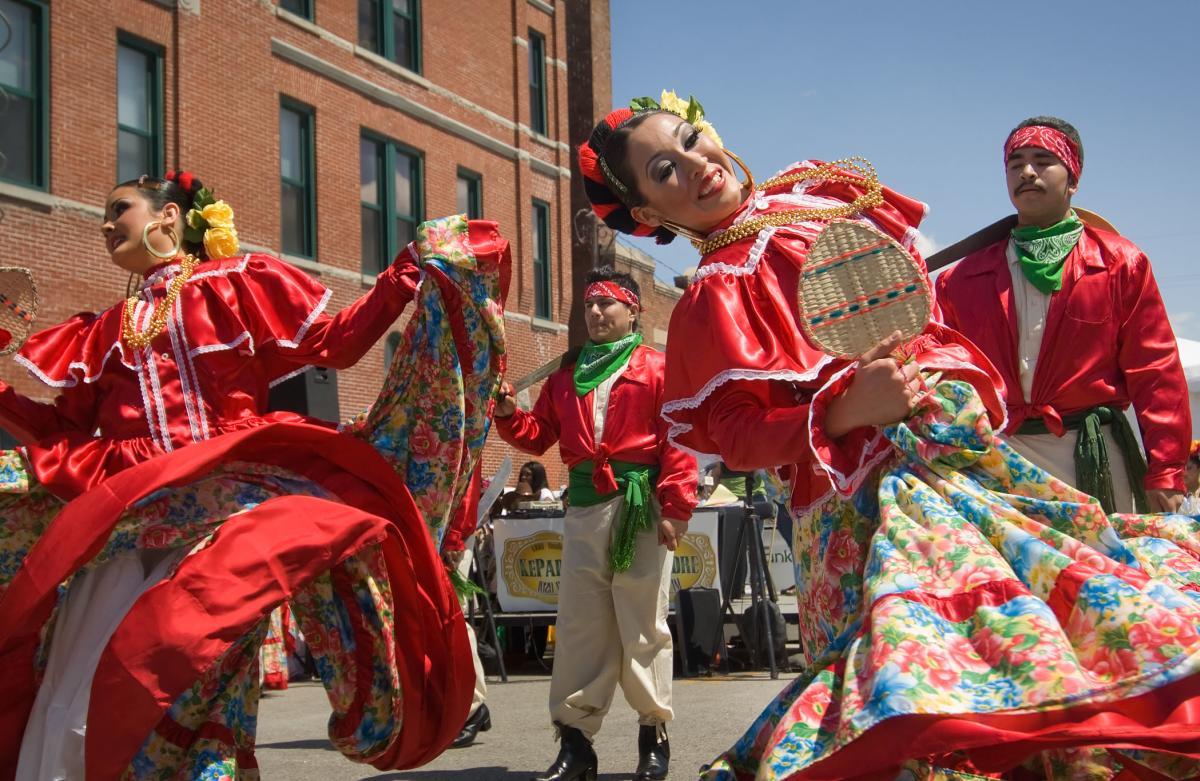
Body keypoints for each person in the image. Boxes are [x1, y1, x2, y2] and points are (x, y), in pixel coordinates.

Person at [578, 96, 1200, 780]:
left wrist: (932, 373)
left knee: (1018, 643)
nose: (698, 163)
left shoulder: (811, 196)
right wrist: (842, 410)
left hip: (946, 466)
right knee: (901, 693)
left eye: (694, 139)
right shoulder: (712, 297)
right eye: (666, 168)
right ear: (646, 215)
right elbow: (736, 435)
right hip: (849, 511)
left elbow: (920, 312)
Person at [0, 171, 510, 777]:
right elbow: (64, 431)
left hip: (227, 496)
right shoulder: (100, 330)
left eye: (120, 209)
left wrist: (399, 281)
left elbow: (335, 344)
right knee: (84, 669)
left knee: (188, 652)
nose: (107, 224)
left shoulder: (235, 285)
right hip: (127, 512)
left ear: (169, 219)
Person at [493, 266, 697, 781]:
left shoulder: (656, 367)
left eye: (607, 304)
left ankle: (654, 737)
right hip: (584, 509)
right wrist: (506, 412)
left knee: (643, 624)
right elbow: (537, 435)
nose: (596, 313)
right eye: (589, 305)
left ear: (633, 310)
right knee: (582, 625)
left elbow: (679, 438)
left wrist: (674, 506)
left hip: (639, 507)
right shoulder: (566, 375)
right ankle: (576, 742)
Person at [936, 116, 1190, 515]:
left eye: (1042, 160)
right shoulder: (960, 280)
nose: (1027, 171)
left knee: (1106, 574)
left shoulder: (1120, 263)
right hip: (1000, 463)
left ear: (1073, 178)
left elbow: (1155, 370)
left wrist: (1166, 471)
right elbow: (946, 377)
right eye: (1015, 163)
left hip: (1093, 458)